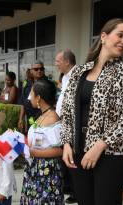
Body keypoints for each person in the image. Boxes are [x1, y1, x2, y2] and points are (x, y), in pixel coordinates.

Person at [61, 18, 123, 205]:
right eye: (120, 35)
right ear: (104, 36)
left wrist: (100, 145)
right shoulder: (79, 72)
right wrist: (66, 143)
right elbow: (67, 111)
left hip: (109, 155)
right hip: (77, 152)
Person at [20, 79, 63, 204]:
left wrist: (33, 153)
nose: (29, 98)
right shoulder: (42, 115)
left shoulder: (52, 118)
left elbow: (60, 150)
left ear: (38, 98)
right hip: (35, 169)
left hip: (46, 172)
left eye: (32, 94)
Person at [54, 49, 77, 204]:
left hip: (73, 125)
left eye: (58, 61)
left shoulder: (78, 75)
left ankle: (76, 192)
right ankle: (69, 189)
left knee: (73, 160)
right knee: (67, 158)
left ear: (67, 62)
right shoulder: (65, 77)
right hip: (64, 124)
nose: (56, 64)